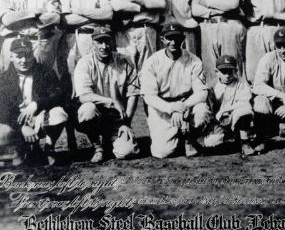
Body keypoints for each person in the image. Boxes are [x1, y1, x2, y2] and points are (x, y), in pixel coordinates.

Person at [141, 23, 223, 158]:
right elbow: (149, 97)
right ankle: (178, 135)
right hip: (163, 107)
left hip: (187, 104)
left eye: (177, 38)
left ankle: (190, 137)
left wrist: (182, 107)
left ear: (183, 39)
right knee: (161, 152)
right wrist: (171, 108)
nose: (173, 42)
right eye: (169, 38)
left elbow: (202, 93)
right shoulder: (152, 62)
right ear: (162, 39)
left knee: (202, 111)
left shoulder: (194, 60)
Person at [73, 27, 140, 162]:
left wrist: (126, 123)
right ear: (93, 43)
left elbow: (134, 93)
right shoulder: (84, 63)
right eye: (99, 42)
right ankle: (98, 147)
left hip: (117, 118)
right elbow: (84, 96)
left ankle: (110, 140)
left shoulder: (124, 60)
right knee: (87, 110)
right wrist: (111, 101)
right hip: (96, 115)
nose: (104, 46)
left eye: (107, 42)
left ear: (113, 42)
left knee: (127, 152)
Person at [0, 38, 67, 166]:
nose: (24, 61)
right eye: (19, 56)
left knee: (59, 113)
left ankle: (49, 146)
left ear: (33, 54)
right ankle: (20, 150)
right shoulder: (3, 78)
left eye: (28, 55)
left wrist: (37, 104)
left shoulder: (45, 72)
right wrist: (21, 127)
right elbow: (2, 110)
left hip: (40, 118)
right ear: (11, 57)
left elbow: (58, 94)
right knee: (4, 135)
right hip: (16, 121)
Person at [56, 0, 113, 95]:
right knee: (71, 79)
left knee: (95, 76)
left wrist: (79, 10)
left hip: (95, 38)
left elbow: (108, 13)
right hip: (72, 38)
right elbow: (67, 20)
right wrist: (95, 15)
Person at [0, 0, 61, 71]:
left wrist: (20, 17)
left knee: (42, 84)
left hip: (40, 43)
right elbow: (8, 20)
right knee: (12, 85)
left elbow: (55, 17)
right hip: (13, 44)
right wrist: (35, 12)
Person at [212, 55, 255, 157]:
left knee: (245, 111)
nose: (227, 75)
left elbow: (245, 102)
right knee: (212, 143)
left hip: (235, 117)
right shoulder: (214, 85)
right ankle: (229, 139)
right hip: (219, 121)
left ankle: (245, 142)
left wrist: (224, 110)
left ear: (235, 71)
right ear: (217, 72)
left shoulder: (241, 83)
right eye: (223, 71)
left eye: (230, 71)